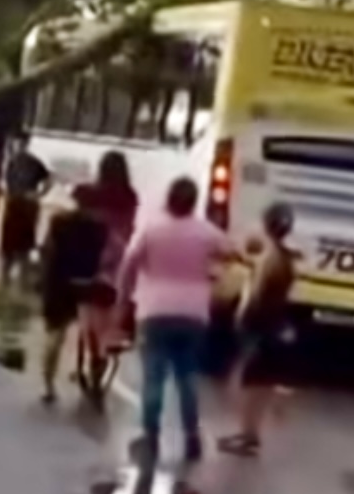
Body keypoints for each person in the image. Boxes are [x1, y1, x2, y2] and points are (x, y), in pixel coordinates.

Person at [117, 177, 234, 466]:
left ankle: (151, 438)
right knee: (187, 376)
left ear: (168, 199)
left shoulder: (151, 229)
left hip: (154, 311)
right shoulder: (206, 232)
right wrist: (212, 272)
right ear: (194, 202)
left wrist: (124, 299)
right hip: (193, 314)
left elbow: (129, 264)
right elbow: (232, 252)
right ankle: (191, 437)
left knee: (154, 378)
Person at [218, 203, 297, 458]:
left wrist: (243, 320)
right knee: (259, 383)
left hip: (259, 327)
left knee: (247, 384)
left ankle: (248, 434)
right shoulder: (284, 258)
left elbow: (258, 296)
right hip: (272, 326)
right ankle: (249, 432)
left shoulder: (270, 259)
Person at [38, 184, 108, 405]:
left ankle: (48, 386)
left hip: (58, 283)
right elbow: (103, 257)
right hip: (87, 284)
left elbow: (46, 249)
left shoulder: (58, 222)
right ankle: (94, 380)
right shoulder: (101, 228)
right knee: (94, 336)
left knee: (55, 335)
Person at [79, 150, 139, 378]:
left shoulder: (87, 195)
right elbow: (130, 226)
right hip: (119, 256)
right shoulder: (130, 197)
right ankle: (108, 346)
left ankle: (92, 349)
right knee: (112, 304)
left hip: (91, 254)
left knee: (87, 306)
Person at [0, 131, 50, 288]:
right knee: (7, 246)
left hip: (27, 205)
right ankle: (4, 281)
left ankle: (22, 282)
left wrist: (40, 194)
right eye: (16, 143)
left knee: (24, 246)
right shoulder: (11, 162)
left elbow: (49, 179)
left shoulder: (34, 163)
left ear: (26, 144)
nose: (18, 146)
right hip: (13, 203)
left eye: (21, 143)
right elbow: (5, 183)